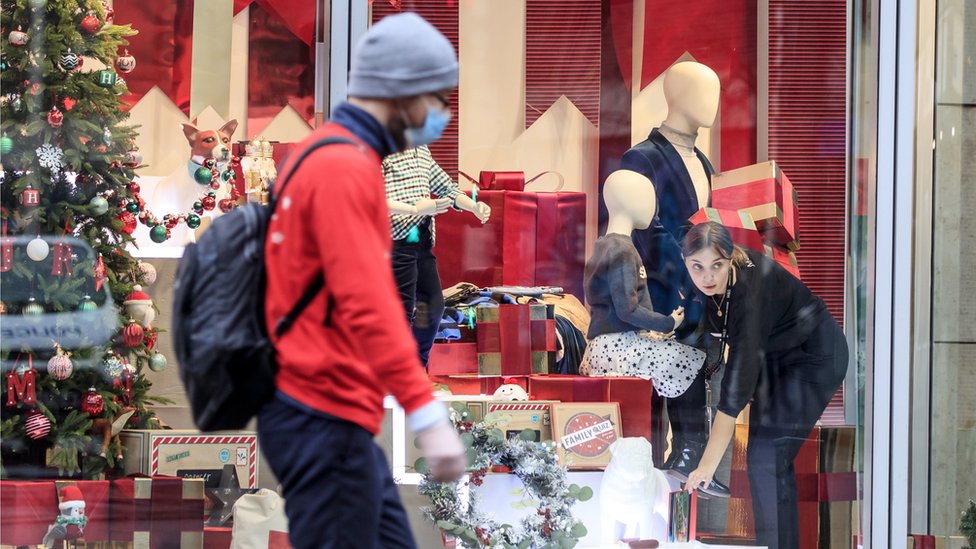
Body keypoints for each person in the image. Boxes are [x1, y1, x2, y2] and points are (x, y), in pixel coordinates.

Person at [259, 13, 467, 549]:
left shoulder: (333, 154)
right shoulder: (343, 165)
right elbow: (369, 307)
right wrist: (427, 415)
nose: (439, 110)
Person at [681, 222, 849, 549]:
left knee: (766, 457)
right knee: (765, 461)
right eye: (697, 267)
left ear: (729, 258)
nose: (707, 277)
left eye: (716, 265)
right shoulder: (709, 283)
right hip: (775, 356)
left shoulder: (749, 295)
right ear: (686, 261)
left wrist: (705, 468)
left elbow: (732, 398)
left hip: (813, 357)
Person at [621, 61, 728, 496]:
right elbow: (645, 229)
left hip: (704, 287)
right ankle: (654, 469)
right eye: (705, 92)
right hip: (666, 290)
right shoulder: (642, 157)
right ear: (677, 96)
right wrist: (690, 267)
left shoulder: (702, 159)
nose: (715, 104)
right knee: (665, 379)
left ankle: (691, 460)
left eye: (717, 92)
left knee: (700, 370)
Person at [581, 170, 706, 398]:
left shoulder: (602, 246)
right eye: (650, 198)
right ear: (631, 201)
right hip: (620, 348)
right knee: (690, 362)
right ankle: (686, 433)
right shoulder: (623, 250)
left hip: (605, 345)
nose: (654, 208)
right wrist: (667, 322)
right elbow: (627, 309)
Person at [384, 146, 490, 366]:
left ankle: (414, 366)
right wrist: (415, 209)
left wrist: (473, 206)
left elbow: (446, 187)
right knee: (398, 311)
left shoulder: (420, 149)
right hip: (393, 240)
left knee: (433, 306)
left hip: (421, 239)